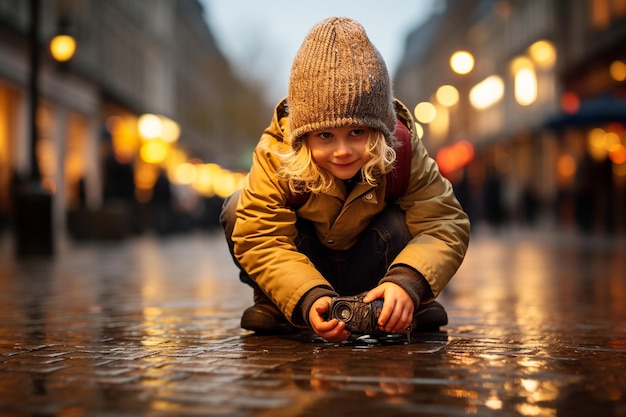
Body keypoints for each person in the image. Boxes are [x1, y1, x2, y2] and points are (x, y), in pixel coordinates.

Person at [220, 17, 470, 343]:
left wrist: (409, 281)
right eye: (325, 135)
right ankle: (279, 302)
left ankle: (401, 304)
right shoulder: (275, 154)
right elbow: (260, 235)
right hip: (307, 263)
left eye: (357, 132)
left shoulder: (402, 149)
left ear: (379, 128)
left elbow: (444, 223)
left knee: (409, 220)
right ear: (303, 135)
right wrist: (306, 296)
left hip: (377, 264)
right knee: (237, 208)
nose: (342, 151)